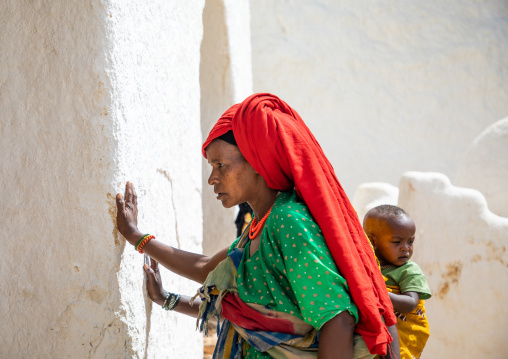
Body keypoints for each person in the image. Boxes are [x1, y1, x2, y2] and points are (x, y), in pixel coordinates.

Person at [116, 93, 399, 359]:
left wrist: (137, 238)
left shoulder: (288, 221)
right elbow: (206, 269)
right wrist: (138, 239)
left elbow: (337, 317)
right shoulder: (260, 226)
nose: (212, 179)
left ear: (257, 161)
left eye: (221, 166)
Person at [363, 205, 431, 359]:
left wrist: (378, 294)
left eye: (410, 241)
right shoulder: (369, 265)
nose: (405, 248)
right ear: (372, 241)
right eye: (397, 242)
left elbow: (411, 303)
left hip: (401, 336)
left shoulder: (409, 270)